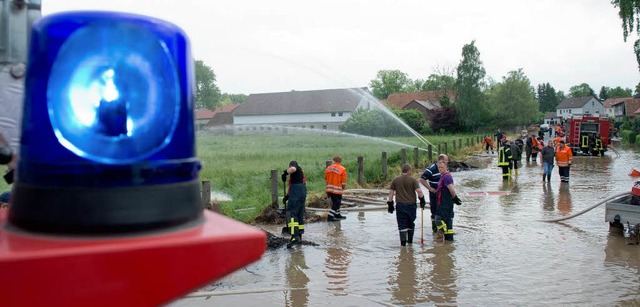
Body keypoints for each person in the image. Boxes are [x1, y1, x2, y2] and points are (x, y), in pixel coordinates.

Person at [387, 163, 426, 246]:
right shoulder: (413, 180)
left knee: (402, 224)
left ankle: (403, 245)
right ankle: (410, 242)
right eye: (411, 170)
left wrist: (390, 203)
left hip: (400, 205)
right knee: (410, 223)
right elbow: (419, 191)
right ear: (408, 170)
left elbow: (390, 193)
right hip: (411, 205)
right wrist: (422, 200)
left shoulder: (395, 180)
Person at [434, 156, 462, 242]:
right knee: (448, 222)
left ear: (446, 167)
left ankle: (443, 234)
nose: (440, 169)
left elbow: (451, 189)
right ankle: (448, 242)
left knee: (438, 219)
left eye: (442, 167)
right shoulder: (443, 176)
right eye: (439, 167)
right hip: (443, 203)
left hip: (445, 204)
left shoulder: (446, 177)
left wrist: (454, 197)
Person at [420, 154, 449, 233]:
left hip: (443, 194)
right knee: (435, 211)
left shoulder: (445, 168)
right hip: (434, 194)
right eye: (446, 161)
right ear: (441, 161)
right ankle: (435, 230)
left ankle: (443, 230)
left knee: (443, 212)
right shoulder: (431, 169)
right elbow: (422, 179)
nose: (448, 162)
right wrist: (430, 188)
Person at [282, 161, 307, 248]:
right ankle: (299, 236)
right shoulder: (300, 176)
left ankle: (294, 237)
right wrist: (287, 197)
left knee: (291, 214)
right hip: (301, 195)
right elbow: (292, 187)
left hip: (296, 194)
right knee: (299, 214)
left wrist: (284, 173)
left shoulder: (295, 168)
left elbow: (292, 169)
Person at [325, 156, 347, 221]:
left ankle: (337, 214)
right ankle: (330, 216)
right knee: (337, 203)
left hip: (329, 189)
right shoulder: (342, 169)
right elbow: (344, 181)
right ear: (340, 161)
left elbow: (326, 178)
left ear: (334, 161)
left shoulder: (328, 168)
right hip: (337, 190)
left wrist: (328, 185)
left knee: (335, 201)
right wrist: (342, 188)